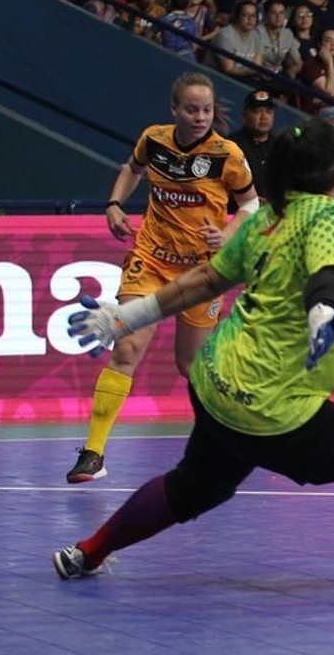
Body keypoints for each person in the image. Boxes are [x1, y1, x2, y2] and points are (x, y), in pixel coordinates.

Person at [55, 116, 334, 585]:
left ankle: (88, 552)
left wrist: (125, 317)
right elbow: (330, 274)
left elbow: (203, 281)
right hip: (276, 410)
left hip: (216, 381)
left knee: (195, 487)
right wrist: (322, 310)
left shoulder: (265, 217)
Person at [65, 73, 259, 483]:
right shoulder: (154, 139)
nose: (200, 117)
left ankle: (231, 438)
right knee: (126, 348)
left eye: (206, 109)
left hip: (203, 270)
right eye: (191, 109)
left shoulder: (227, 154)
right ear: (175, 110)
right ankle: (94, 453)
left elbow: (251, 204)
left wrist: (227, 233)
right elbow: (131, 168)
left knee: (190, 365)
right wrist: (115, 203)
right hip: (151, 260)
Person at [227, 89, 278, 199]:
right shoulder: (231, 145)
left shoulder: (281, 145)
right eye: (257, 111)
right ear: (245, 115)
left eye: (268, 112)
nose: (264, 117)